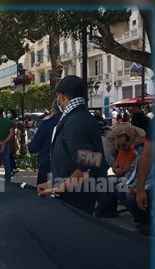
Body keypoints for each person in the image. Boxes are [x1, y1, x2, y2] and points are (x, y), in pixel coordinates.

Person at [38, 75, 108, 214]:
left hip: (76, 199)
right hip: (78, 194)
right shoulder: (81, 116)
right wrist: (53, 183)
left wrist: (61, 187)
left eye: (58, 97)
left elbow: (88, 163)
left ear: (62, 96)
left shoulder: (75, 121)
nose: (58, 101)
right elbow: (72, 162)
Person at [28, 100, 62, 187]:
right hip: (69, 173)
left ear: (53, 109)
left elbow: (33, 147)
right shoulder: (72, 121)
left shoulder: (47, 124)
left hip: (47, 167)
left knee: (45, 198)